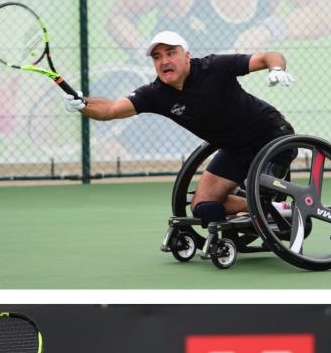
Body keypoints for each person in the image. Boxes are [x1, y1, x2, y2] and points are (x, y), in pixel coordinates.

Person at [67, 31, 296, 224]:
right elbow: (110, 109)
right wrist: (82, 103)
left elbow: (269, 56)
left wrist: (276, 69)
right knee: (203, 206)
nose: (164, 60)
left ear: (186, 56)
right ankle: (272, 210)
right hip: (236, 151)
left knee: (262, 196)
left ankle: (266, 207)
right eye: (157, 57)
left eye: (171, 53)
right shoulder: (155, 94)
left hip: (272, 138)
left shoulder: (214, 67)